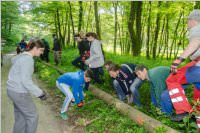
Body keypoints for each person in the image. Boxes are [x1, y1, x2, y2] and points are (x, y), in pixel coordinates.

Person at [166, 10, 200, 129]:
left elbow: (196, 42)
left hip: (198, 66)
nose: (187, 23)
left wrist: (178, 60)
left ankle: (183, 110)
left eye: (188, 20)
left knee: (172, 78)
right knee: (198, 101)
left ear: (193, 20)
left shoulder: (197, 28)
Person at [7, 39, 47, 133]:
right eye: (41, 50)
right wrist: (40, 93)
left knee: (21, 116)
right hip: (19, 92)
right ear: (35, 48)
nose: (41, 53)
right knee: (32, 116)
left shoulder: (21, 56)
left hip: (12, 91)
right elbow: (26, 81)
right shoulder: (28, 59)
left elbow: (23, 77)